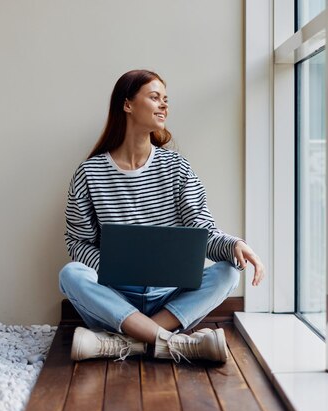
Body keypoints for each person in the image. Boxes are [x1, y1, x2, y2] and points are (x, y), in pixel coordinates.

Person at [59, 69, 264, 363]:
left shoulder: (176, 167)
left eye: (166, 99)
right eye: (154, 97)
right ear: (127, 104)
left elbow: (201, 230)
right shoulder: (90, 172)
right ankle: (174, 344)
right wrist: (112, 268)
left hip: (169, 298)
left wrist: (233, 245)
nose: (164, 105)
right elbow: (78, 242)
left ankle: (127, 342)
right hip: (115, 298)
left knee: (228, 271)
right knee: (71, 274)